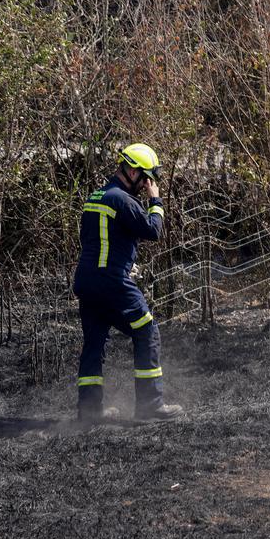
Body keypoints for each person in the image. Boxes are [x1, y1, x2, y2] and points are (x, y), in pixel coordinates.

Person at [72, 143, 183, 422]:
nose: (148, 183)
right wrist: (155, 201)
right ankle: (150, 405)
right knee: (147, 331)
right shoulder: (123, 200)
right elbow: (153, 231)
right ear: (133, 171)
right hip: (113, 281)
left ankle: (89, 411)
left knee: (94, 344)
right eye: (147, 178)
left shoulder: (95, 196)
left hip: (86, 281)